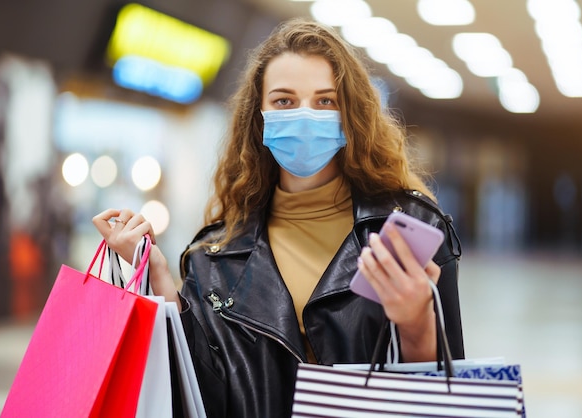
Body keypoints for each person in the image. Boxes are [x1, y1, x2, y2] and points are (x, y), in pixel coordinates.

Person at [93, 18, 464, 418]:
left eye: (325, 101)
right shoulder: (214, 255)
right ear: (259, 118)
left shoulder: (407, 229)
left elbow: (446, 392)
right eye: (284, 101)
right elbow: (202, 395)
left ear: (350, 114)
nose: (305, 116)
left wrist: (416, 322)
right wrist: (160, 279)